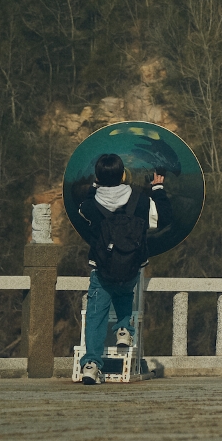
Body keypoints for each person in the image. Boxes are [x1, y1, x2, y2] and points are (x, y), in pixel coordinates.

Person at [74, 153, 169, 385]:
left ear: (98, 176)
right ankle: (124, 329)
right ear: (123, 174)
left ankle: (91, 365)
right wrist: (157, 188)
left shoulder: (91, 204)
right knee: (125, 292)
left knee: (96, 315)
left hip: (101, 268)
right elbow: (163, 218)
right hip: (130, 265)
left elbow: (80, 213)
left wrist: (92, 189)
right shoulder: (140, 200)